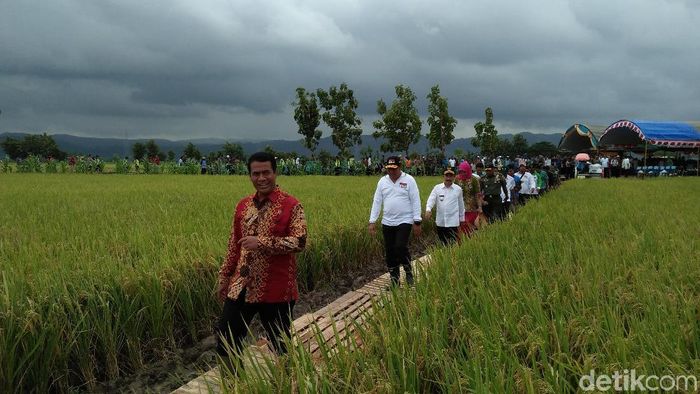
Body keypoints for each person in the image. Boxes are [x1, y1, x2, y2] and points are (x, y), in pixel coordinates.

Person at [216, 151, 307, 368]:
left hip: (276, 288)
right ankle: (235, 386)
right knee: (225, 340)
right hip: (242, 285)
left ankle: (285, 384)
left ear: (275, 173)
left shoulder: (292, 206)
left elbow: (300, 241)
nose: (261, 178)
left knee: (280, 345)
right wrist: (225, 275)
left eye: (266, 172)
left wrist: (263, 242)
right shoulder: (242, 206)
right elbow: (233, 245)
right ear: (250, 176)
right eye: (256, 173)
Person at [369, 156, 422, 287]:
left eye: (394, 169)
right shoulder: (382, 182)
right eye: (389, 169)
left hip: (405, 220)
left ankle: (408, 272)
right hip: (387, 221)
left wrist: (417, 221)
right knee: (390, 251)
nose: (391, 172)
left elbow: (415, 200)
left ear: (400, 167)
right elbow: (377, 201)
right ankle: (394, 280)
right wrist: (372, 221)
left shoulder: (409, 180)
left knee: (400, 247)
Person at [424, 168, 465, 245]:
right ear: (444, 176)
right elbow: (431, 199)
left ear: (454, 177)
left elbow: (461, 204)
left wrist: (462, 219)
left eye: (450, 176)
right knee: (443, 242)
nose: (448, 178)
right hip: (441, 221)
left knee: (452, 243)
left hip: (453, 222)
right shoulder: (437, 188)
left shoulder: (458, 189)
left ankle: (453, 256)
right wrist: (428, 209)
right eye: (447, 176)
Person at [455, 161, 482, 237]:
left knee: (469, 228)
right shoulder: (457, 179)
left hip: (471, 208)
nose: (462, 173)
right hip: (459, 208)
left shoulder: (474, 179)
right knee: (460, 228)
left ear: (468, 170)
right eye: (460, 171)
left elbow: (478, 194)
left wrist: (479, 207)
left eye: (464, 171)